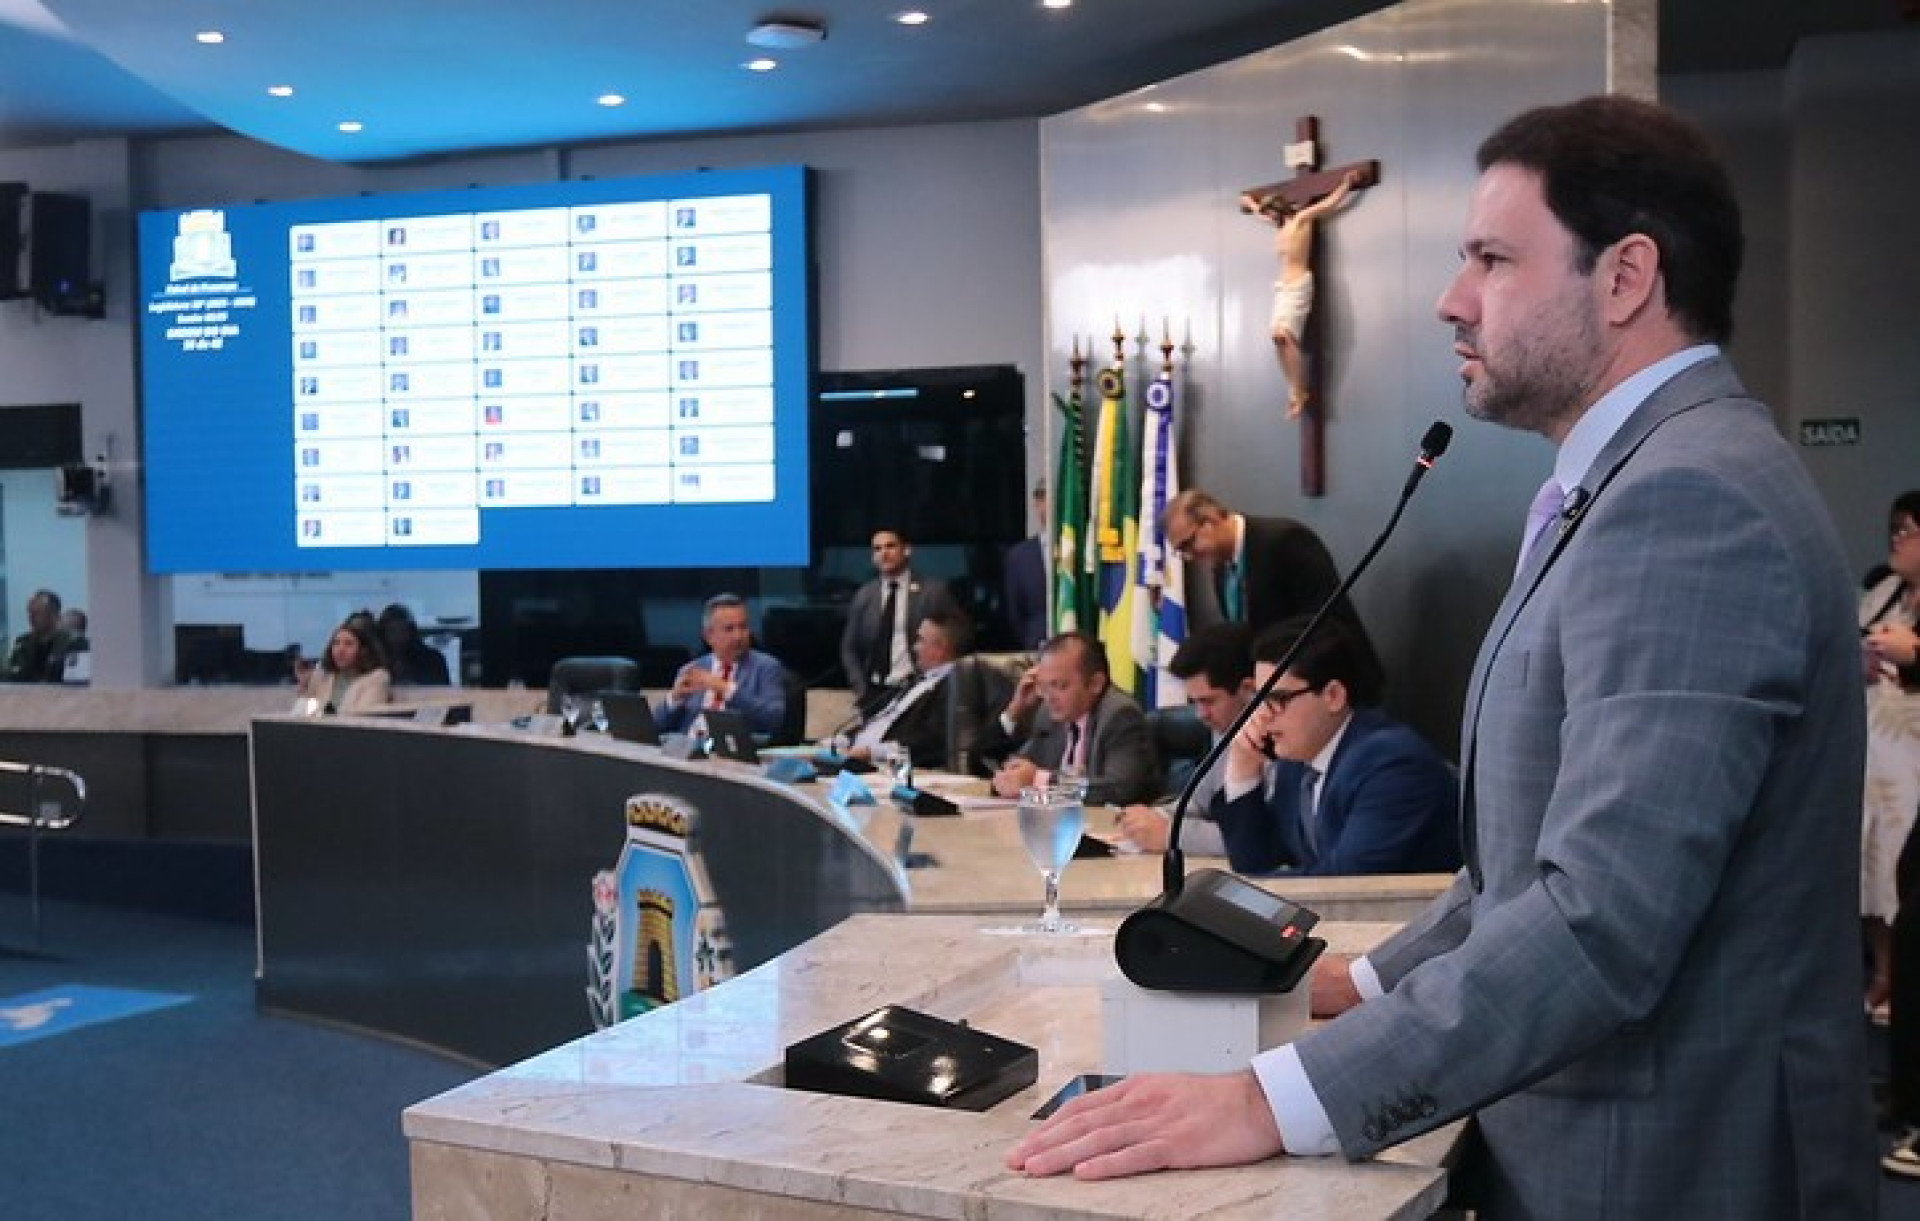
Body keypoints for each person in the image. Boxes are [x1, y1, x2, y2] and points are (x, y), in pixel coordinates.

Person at [1011, 95, 1874, 1217]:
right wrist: (1354, 983)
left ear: (1625, 278)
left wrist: (1273, 1101)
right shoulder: (1631, 481)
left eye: (1492, 260)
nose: (1449, 299)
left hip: (1670, 1161)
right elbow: (1520, 872)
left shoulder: (1689, 501)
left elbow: (1600, 916)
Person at [1209, 615, 1457, 875]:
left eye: (1278, 699)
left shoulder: (1392, 764)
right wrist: (1242, 772)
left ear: (1333, 696)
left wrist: (1248, 892)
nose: (1262, 715)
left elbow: (1345, 880)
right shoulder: (1297, 763)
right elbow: (1256, 865)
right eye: (1259, 700)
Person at [1163, 488, 1373, 662]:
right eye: (1182, 552)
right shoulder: (1220, 570)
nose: (1189, 556)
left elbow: (1328, 624)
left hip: (1334, 685)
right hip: (1278, 694)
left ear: (1212, 518)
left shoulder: (1285, 541)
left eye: (1189, 543)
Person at [1116, 622, 1256, 856]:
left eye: (1209, 701)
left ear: (1248, 689)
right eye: (1195, 702)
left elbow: (1258, 839)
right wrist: (1151, 818)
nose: (1201, 715)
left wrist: (1171, 834)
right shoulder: (1224, 727)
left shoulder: (1281, 740)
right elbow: (1199, 803)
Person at [978, 631, 1161, 807]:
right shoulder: (1049, 714)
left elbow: (1120, 789)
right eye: (1044, 686)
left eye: (1060, 686)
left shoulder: (1120, 714)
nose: (1050, 697)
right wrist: (1014, 712)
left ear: (1095, 683)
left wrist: (1041, 780)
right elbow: (990, 763)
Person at [1861, 489, 1920, 1022]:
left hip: (1915, 748)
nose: (1897, 542)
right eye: (1894, 531)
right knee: (1877, 861)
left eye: (1908, 530)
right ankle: (1884, 969)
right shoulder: (1883, 591)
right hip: (1879, 740)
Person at [1241, 169, 1362, 417]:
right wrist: (1250, 203)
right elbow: (1258, 212)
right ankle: (1294, 389)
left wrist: (1347, 184)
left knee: (1285, 335)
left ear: (1280, 208)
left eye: (1272, 212)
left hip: (1298, 285)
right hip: (1282, 289)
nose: (1269, 217)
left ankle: (1299, 388)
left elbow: (1331, 203)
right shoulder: (1279, 227)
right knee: (1277, 338)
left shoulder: (1301, 220)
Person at [838, 528, 960, 713]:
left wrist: (937, 684)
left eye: (890, 546)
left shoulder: (933, 592)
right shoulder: (865, 595)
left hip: (919, 690)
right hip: (875, 693)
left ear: (907, 550)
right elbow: (849, 648)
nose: (883, 553)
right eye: (877, 549)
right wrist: (861, 689)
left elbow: (954, 638)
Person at [842, 609, 973, 770]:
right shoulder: (915, 680)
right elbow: (880, 722)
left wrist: (870, 752)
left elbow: (933, 741)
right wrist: (841, 740)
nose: (914, 647)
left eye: (920, 640)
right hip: (855, 754)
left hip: (885, 765)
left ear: (941, 648)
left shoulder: (956, 686)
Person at [656, 593, 787, 737]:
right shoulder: (692, 669)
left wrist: (725, 689)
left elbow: (775, 720)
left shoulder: (766, 667)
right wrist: (675, 698)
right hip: (688, 749)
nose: (738, 636)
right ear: (708, 636)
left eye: (743, 627)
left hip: (731, 751)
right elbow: (657, 727)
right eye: (729, 629)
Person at [293, 617, 392, 714]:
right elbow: (305, 716)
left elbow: (363, 720)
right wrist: (304, 688)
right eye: (336, 643)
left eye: (348, 644)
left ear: (363, 651)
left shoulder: (377, 678)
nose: (340, 650)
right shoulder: (321, 678)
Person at [1003, 481, 1050, 651]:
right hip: (1037, 648)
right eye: (1046, 498)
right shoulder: (1020, 556)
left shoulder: (1082, 551)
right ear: (1038, 504)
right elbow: (1016, 614)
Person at [4, 590, 75, 683]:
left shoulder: (73, 643)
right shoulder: (23, 642)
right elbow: (13, 674)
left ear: (54, 615)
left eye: (37, 613)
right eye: (30, 613)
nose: (31, 617)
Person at [377, 603, 451, 686]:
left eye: (403, 631)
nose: (398, 637)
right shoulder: (374, 663)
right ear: (383, 633)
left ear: (411, 631)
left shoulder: (432, 660)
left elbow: (443, 692)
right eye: (392, 631)